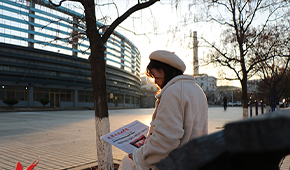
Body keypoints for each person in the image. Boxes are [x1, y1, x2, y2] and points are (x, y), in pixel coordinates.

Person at [118, 50, 208, 170]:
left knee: (126, 164)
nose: (155, 82)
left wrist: (138, 156)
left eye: (156, 77)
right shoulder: (197, 90)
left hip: (174, 164)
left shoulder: (173, 92)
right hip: (193, 160)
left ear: (165, 71)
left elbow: (166, 141)